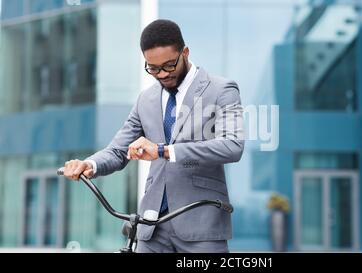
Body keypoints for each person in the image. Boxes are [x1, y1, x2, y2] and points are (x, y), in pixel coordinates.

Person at [62, 19, 244, 253]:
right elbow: (118, 151)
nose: (162, 74)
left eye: (169, 65)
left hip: (200, 223)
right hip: (151, 227)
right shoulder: (145, 99)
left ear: (185, 52)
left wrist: (163, 151)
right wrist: (89, 163)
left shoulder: (221, 90)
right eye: (153, 68)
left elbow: (232, 146)